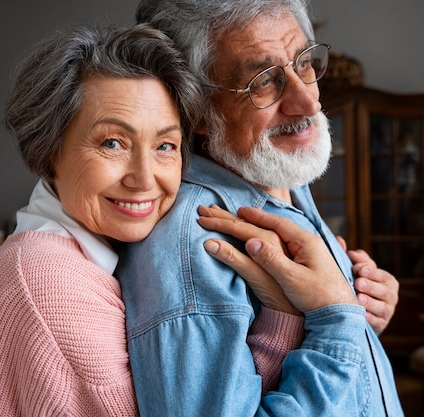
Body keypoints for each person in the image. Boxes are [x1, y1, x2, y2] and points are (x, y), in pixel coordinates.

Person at [0, 23, 293, 416]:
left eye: (165, 145)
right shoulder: (51, 283)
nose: (145, 178)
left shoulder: (67, 254)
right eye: (112, 143)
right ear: (49, 150)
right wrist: (286, 324)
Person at [115, 0, 404, 415]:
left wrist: (361, 309)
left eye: (304, 61)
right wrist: (338, 319)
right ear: (195, 107)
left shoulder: (280, 174)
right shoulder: (193, 243)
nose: (308, 101)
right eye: (264, 80)